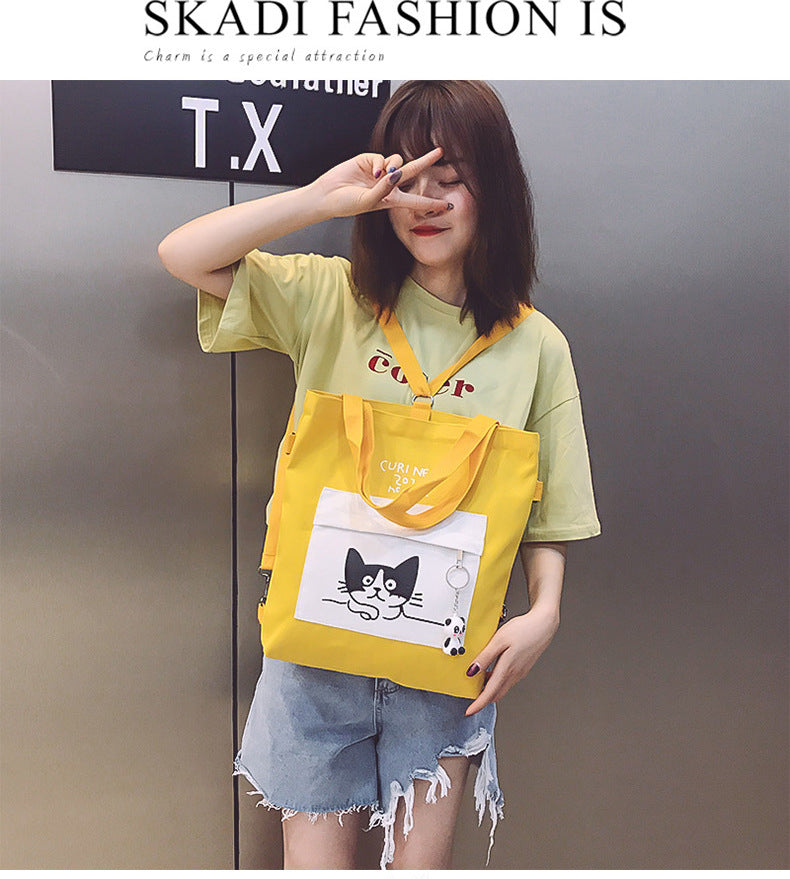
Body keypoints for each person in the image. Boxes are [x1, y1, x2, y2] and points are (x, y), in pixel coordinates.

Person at [158, 80, 600, 870]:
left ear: (495, 190)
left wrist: (546, 612)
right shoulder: (330, 298)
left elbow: (553, 512)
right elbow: (183, 254)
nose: (425, 202)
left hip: (446, 669)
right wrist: (322, 199)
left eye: (450, 179)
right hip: (314, 659)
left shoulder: (537, 346)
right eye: (408, 178)